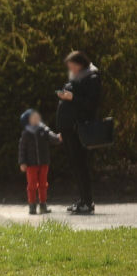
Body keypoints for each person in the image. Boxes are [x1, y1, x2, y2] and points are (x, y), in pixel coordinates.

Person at [56, 50, 102, 214]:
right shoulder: (77, 77)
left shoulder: (92, 78)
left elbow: (91, 104)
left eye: (73, 66)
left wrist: (72, 98)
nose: (72, 70)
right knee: (75, 165)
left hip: (78, 128)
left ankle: (87, 202)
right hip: (68, 128)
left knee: (81, 165)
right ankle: (82, 199)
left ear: (81, 64)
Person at [19, 108, 60, 215]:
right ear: (28, 120)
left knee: (43, 184)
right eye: (33, 117)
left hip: (44, 162)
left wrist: (58, 137)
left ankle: (43, 204)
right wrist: (22, 162)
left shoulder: (44, 130)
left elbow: (52, 136)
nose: (37, 118)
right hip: (31, 164)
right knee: (32, 185)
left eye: (37, 116)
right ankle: (32, 205)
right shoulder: (26, 134)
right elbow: (22, 149)